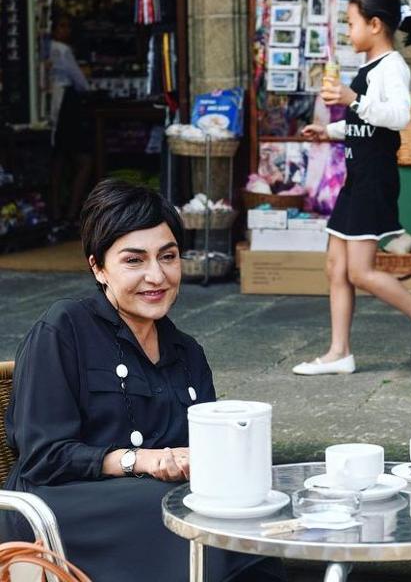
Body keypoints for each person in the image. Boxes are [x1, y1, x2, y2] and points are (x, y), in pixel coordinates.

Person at [1, 180, 286, 582]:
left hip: (150, 503)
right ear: (98, 267)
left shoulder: (187, 352)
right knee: (182, 516)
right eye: (134, 261)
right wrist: (142, 460)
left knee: (242, 512)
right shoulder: (64, 328)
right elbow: (45, 457)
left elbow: (202, 451)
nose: (157, 275)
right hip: (60, 508)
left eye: (167, 257)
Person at [293, 0, 411, 376]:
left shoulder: (392, 66)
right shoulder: (370, 69)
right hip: (357, 177)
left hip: (373, 180)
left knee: (360, 270)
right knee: (335, 266)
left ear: (375, 24)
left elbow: (397, 116)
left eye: (351, 23)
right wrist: (328, 132)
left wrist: (352, 98)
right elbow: (366, 123)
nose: (349, 32)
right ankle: (339, 352)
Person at [48, 12, 94, 236]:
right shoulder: (62, 50)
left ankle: (57, 210)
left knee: (58, 160)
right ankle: (71, 212)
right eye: (62, 26)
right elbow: (80, 82)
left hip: (51, 103)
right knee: (83, 160)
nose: (66, 31)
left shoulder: (45, 48)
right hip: (68, 104)